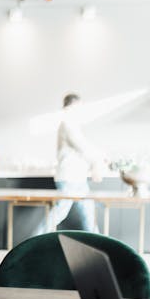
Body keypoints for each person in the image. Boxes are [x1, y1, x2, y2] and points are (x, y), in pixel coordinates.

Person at [45, 93, 105, 233]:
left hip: (77, 177)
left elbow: (85, 148)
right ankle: (34, 242)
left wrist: (98, 160)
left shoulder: (71, 125)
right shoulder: (67, 124)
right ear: (72, 106)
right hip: (68, 178)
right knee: (60, 213)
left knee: (88, 213)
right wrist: (98, 160)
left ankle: (98, 244)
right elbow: (83, 147)